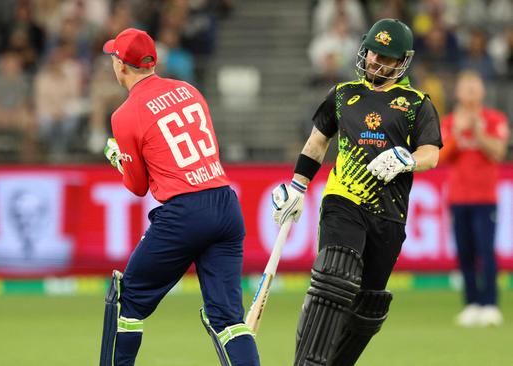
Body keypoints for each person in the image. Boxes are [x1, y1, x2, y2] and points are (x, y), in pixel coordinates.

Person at [270, 19, 442, 365]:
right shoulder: (343, 94)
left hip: (390, 214)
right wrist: (297, 188)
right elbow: (317, 143)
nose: (377, 61)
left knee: (368, 305)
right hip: (343, 200)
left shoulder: (416, 103)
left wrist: (406, 158)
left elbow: (431, 154)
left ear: (402, 61)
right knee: (335, 277)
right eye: (374, 53)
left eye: (386, 57)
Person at [98, 28, 260, 366]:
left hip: (184, 211)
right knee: (228, 319)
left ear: (121, 65)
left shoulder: (124, 116)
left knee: (126, 300)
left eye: (114, 57)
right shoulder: (188, 90)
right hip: (224, 203)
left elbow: (138, 186)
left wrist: (118, 160)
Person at [440, 71, 509, 327]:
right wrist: (458, 134)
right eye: (465, 87)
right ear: (458, 92)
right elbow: (442, 157)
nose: (469, 91)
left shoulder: (494, 119)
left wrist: (478, 133)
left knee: (486, 251)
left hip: (485, 197)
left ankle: (490, 304)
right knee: (465, 252)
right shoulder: (449, 123)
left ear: (482, 91)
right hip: (458, 198)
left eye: (474, 86)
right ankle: (471, 303)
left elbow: (499, 152)